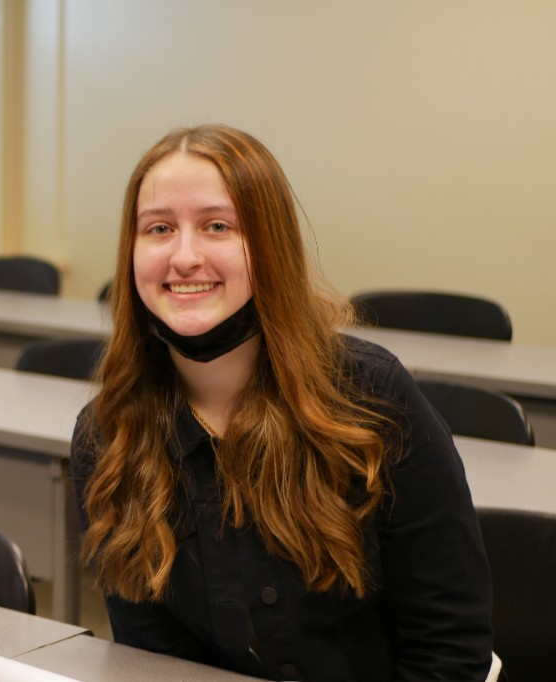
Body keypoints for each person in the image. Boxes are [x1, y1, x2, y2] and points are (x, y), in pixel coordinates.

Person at [72, 124, 493, 681]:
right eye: (159, 229)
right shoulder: (108, 436)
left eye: (217, 226)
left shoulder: (372, 397)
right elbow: (152, 661)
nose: (185, 256)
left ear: (269, 246)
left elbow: (449, 647)